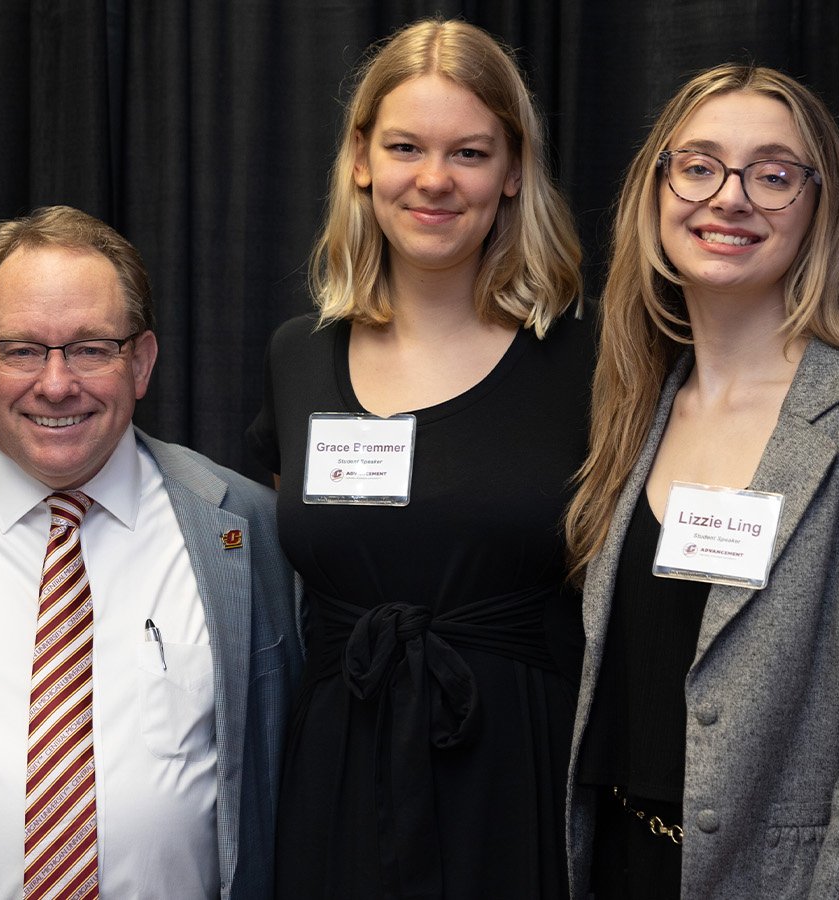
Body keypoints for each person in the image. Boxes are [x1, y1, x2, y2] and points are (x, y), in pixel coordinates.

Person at [563, 63, 839, 898]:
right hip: (618, 863)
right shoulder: (629, 409)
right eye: (699, 165)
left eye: (774, 174)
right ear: (657, 189)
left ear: (819, 208)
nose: (729, 197)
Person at [0, 204, 302, 900]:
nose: (57, 382)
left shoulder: (248, 527)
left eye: (93, 348)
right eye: (23, 349)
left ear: (143, 363)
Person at [246, 18, 589, 899]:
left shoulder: (591, 366)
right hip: (337, 768)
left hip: (518, 770)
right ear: (361, 159)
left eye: (470, 153)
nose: (434, 180)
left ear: (513, 171)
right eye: (405, 146)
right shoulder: (297, 357)